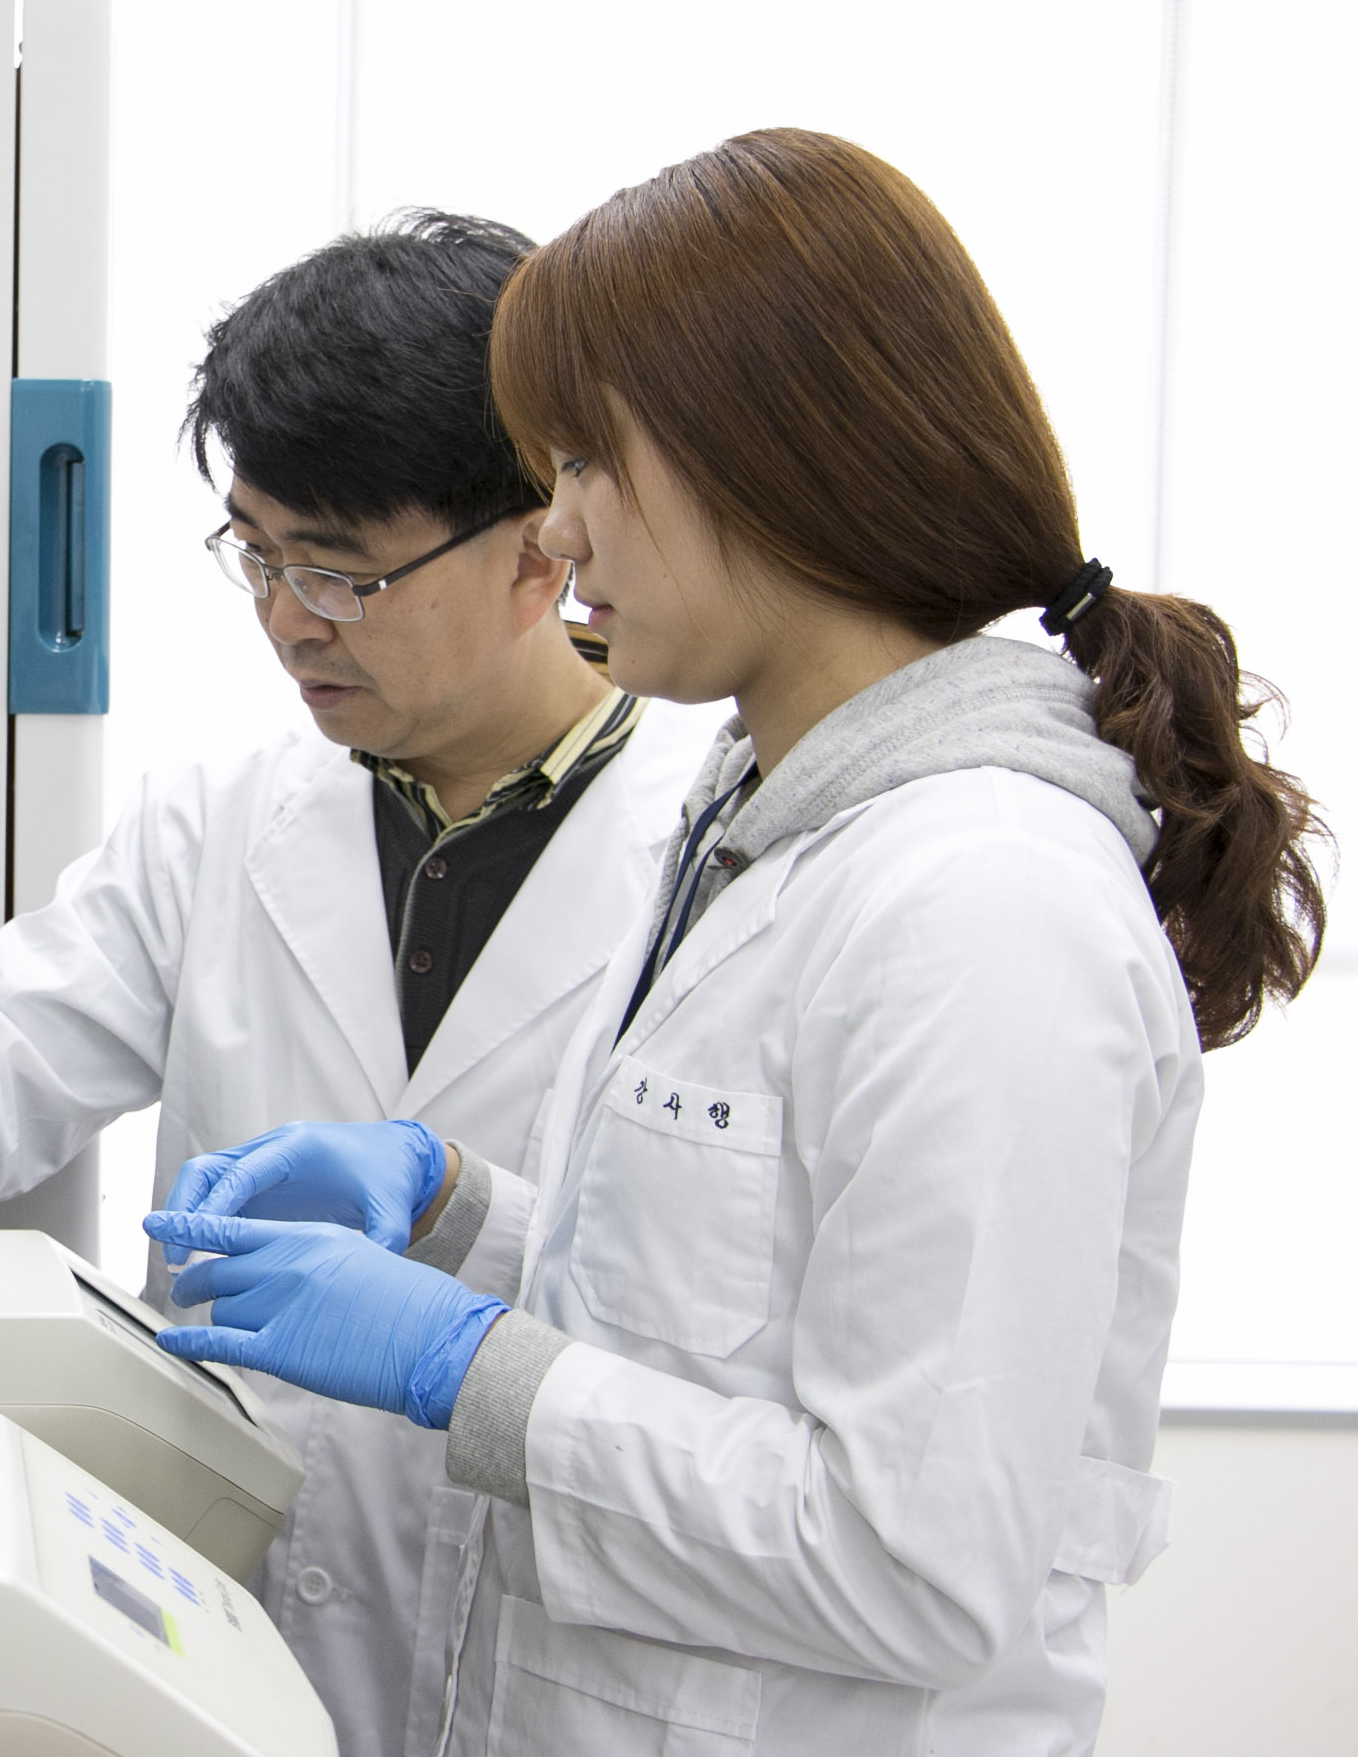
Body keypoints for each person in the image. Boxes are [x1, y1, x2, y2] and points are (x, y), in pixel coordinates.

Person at [145, 128, 1327, 1755]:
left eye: (583, 464)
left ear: (776, 460)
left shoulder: (984, 901)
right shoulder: (767, 819)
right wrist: (458, 1213)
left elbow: (915, 1562)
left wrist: (468, 1366)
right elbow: (732, 1301)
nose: (556, 532)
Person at [0, 212, 715, 1757]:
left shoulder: (712, 861)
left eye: (341, 571)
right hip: (226, 1633)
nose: (286, 618)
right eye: (256, 553)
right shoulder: (228, 821)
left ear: (540, 546)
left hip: (562, 1664)